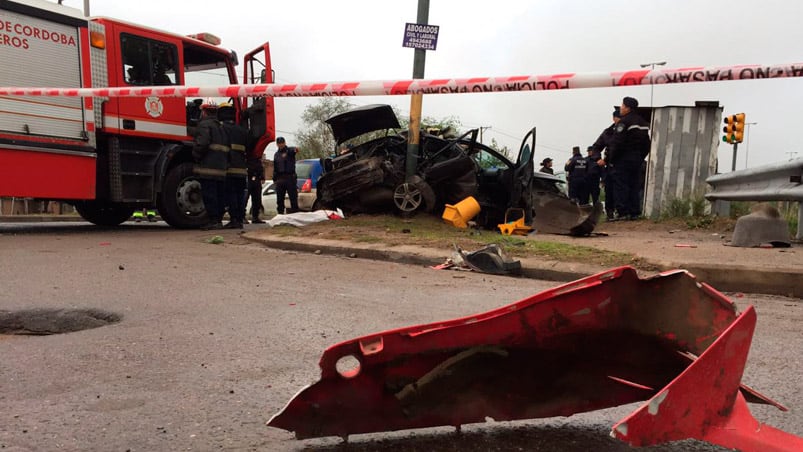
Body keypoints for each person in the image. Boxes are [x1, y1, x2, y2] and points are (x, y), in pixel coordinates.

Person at [597, 97, 650, 221]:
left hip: (623, 159)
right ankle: (634, 213)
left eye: (622, 105)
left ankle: (623, 212)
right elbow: (647, 144)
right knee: (634, 185)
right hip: (637, 159)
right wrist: (640, 157)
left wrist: (610, 158)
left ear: (627, 107)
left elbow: (617, 143)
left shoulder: (624, 122)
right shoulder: (642, 122)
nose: (621, 107)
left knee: (621, 185)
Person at [192, 104, 229, 230]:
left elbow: (202, 143)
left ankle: (213, 221)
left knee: (209, 195)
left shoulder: (204, 125)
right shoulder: (222, 127)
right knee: (220, 195)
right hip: (221, 168)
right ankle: (218, 220)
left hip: (208, 168)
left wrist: (195, 155)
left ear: (204, 112)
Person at [219, 105, 248, 229]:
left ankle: (234, 219)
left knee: (230, 195)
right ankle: (240, 219)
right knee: (240, 194)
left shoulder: (221, 129)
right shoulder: (242, 130)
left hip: (228, 168)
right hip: (241, 169)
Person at [592, 108, 622, 220]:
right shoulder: (608, 132)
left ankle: (624, 213)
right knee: (610, 190)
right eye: (619, 118)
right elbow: (596, 147)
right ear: (614, 119)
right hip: (611, 166)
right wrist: (598, 159)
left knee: (623, 189)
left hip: (625, 165)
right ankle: (610, 213)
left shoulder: (629, 131)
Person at [272, 137, 299, 214]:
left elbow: (295, 150)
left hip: (290, 177)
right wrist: (274, 179)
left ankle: (295, 214)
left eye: (282, 143)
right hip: (280, 178)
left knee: (293, 198)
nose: (281, 145)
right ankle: (280, 214)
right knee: (279, 199)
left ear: (284, 143)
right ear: (277, 144)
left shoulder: (289, 151)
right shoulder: (276, 155)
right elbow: (275, 167)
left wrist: (295, 149)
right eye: (279, 143)